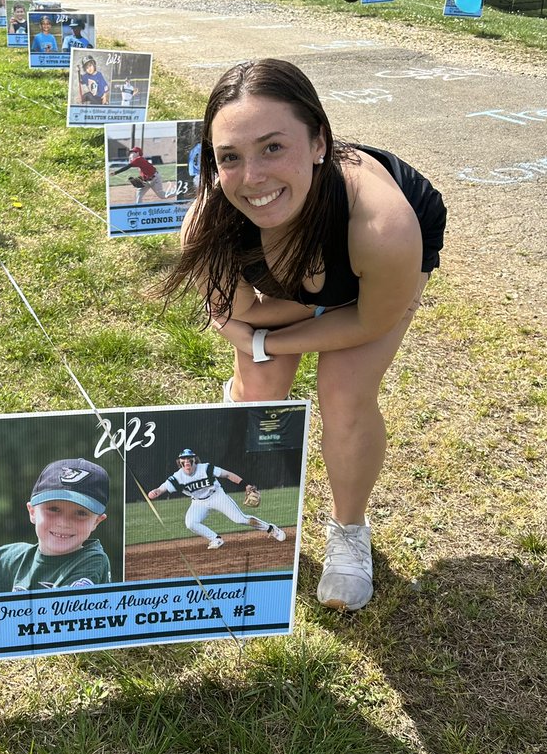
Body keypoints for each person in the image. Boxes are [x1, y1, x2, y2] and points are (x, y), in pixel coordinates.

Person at [157, 59, 447, 611]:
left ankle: (349, 532)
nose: (253, 177)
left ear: (318, 141)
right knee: (260, 393)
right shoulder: (210, 222)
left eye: (273, 147)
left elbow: (369, 322)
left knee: (345, 393)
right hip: (315, 274)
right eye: (230, 157)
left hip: (373, 265)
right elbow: (239, 316)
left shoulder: (384, 225)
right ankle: (246, 440)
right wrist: (257, 345)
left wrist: (266, 343)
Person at [0, 458, 111, 596]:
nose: (64, 522)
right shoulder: (15, 557)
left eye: (81, 513)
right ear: (32, 512)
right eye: (54, 509)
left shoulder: (92, 561)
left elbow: (59, 614)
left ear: (96, 521)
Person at [147, 448, 286, 549]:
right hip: (198, 503)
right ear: (180, 462)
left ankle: (271, 529)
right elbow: (163, 488)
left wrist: (246, 485)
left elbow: (228, 475)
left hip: (216, 496)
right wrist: (156, 492)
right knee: (190, 523)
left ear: (194, 460)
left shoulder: (206, 468)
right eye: (184, 459)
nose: (187, 461)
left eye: (189, 459)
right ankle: (215, 539)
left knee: (240, 519)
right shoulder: (177, 477)